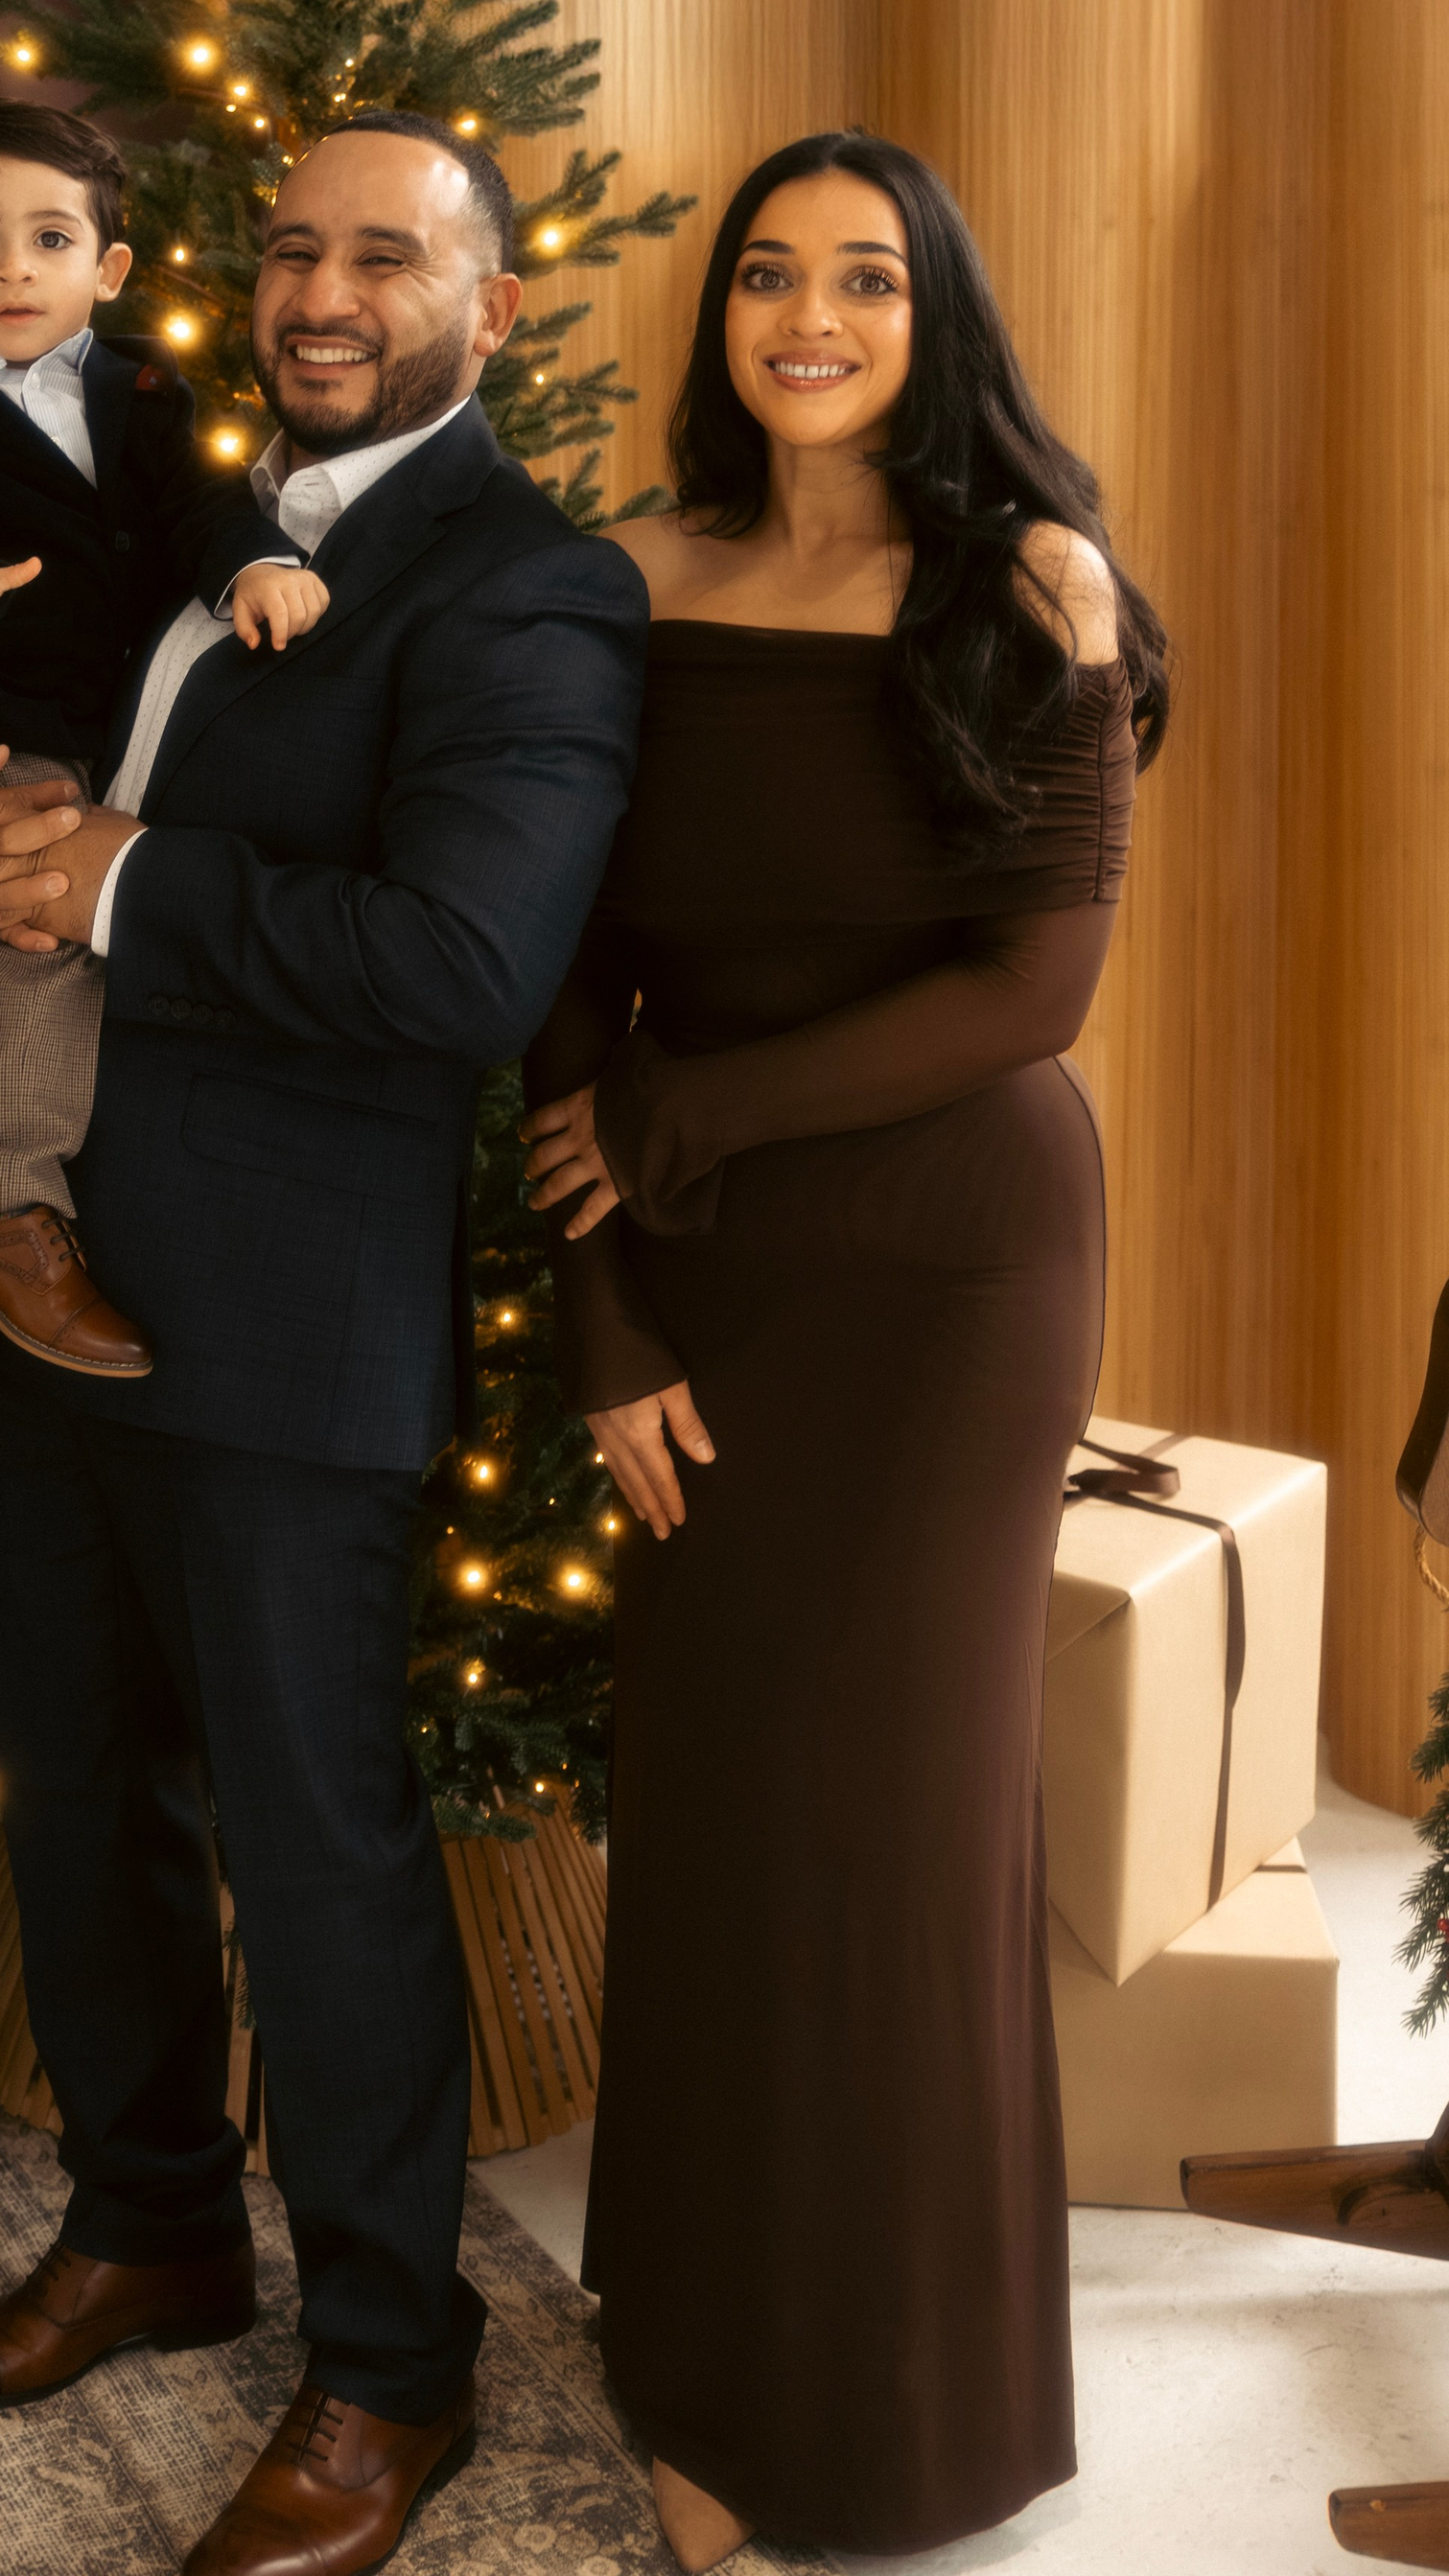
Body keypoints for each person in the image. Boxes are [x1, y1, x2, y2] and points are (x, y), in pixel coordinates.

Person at [0, 111, 647, 2576]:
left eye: (380, 257)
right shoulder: (182, 515)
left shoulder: (525, 587)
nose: (320, 291)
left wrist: (126, 883)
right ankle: (150, 2229)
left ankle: (393, 2365)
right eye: (287, 247)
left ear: (482, 307)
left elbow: (458, 973)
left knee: (316, 1849)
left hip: (286, 1322)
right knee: (77, 1800)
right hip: (42, 1289)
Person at [522, 130, 1168, 2569]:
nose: (809, 314)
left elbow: (1036, 983)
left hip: (948, 1265)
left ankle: (882, 2425)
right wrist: (603, 1314)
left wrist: (679, 1118)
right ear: (719, 324)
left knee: (890, 1827)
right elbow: (556, 975)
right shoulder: (619, 582)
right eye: (767, 276)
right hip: (690, 1265)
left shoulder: (1024, 581)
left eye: (864, 279)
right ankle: (694, 2358)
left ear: (932, 319)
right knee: (709, 1791)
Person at [0, 96, 324, 1399]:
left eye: (48, 241)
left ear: (105, 269)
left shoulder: (149, 390)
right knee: (51, 923)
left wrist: (257, 564)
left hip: (88, 731)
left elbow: (202, 509)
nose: (13, 270)